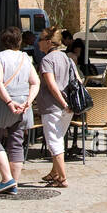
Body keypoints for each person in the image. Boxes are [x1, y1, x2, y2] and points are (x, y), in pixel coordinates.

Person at [0, 26, 40, 195]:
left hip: (3, 104)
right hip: (23, 104)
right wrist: (29, 101)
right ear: (20, 41)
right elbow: (35, 82)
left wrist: (9, 102)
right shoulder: (25, 57)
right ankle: (14, 183)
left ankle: (7, 179)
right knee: (16, 143)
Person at [35, 28, 75, 188]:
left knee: (54, 141)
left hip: (53, 106)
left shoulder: (47, 60)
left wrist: (63, 103)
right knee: (59, 138)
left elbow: (51, 86)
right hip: (68, 107)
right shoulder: (66, 57)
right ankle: (55, 172)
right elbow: (77, 79)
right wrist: (68, 104)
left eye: (40, 39)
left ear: (48, 42)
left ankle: (62, 178)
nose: (38, 42)